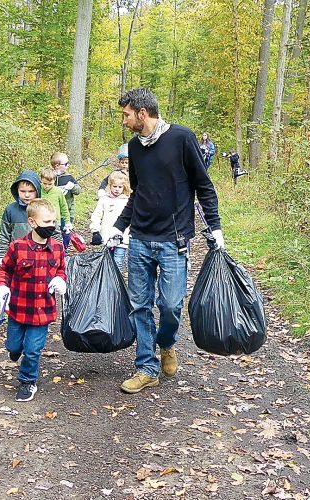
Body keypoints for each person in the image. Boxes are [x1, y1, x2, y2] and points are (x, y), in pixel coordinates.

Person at [107, 88, 224, 394]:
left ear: (142, 113)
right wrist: (120, 227)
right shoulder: (134, 146)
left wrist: (216, 228)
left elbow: (204, 187)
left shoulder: (182, 138)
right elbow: (140, 192)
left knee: (171, 305)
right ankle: (146, 367)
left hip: (174, 240)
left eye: (126, 114)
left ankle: (167, 343)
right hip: (141, 239)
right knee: (140, 306)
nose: (125, 119)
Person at [0, 199, 67, 402]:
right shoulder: (17, 247)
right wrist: (1, 287)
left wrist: (61, 280)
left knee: (33, 350)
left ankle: (27, 381)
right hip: (19, 307)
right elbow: (4, 270)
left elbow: (61, 269)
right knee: (14, 346)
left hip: (43, 310)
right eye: (46, 222)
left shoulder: (58, 249)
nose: (51, 226)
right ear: (33, 223)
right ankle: (16, 351)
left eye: (53, 221)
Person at [90, 170, 131, 270]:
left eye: (120, 187)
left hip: (122, 237)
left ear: (124, 187)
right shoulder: (104, 199)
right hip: (107, 236)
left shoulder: (127, 201)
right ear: (110, 186)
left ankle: (117, 284)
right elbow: (97, 215)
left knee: (118, 262)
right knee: (108, 261)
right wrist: (95, 230)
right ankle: (108, 282)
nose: (117, 189)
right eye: (114, 186)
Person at [0, 170, 42, 253]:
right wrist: (2, 257)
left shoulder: (44, 209)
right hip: (17, 257)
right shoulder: (10, 210)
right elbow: (4, 237)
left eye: (31, 191)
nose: (27, 195)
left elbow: (55, 234)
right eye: (23, 191)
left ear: (37, 190)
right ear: (17, 190)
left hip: (40, 258)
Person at [51, 152, 81, 248]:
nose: (68, 166)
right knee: (54, 234)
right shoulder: (50, 177)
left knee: (65, 234)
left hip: (66, 212)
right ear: (57, 166)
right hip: (53, 213)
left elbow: (78, 190)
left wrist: (72, 187)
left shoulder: (69, 177)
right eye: (66, 164)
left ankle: (64, 253)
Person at [39, 167, 72, 240]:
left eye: (50, 184)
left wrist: (67, 222)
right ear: (41, 179)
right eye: (44, 183)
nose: (47, 186)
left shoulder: (58, 192)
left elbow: (64, 207)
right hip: (41, 221)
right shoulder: (38, 190)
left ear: (54, 181)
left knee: (56, 242)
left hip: (55, 222)